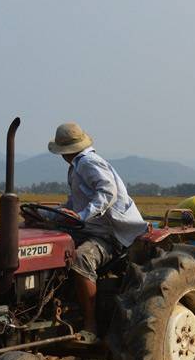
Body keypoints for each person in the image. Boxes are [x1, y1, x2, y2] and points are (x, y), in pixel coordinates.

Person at [47, 122, 147, 342]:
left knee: (81, 259)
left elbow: (107, 191)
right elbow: (75, 201)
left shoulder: (88, 162)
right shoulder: (76, 166)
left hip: (110, 233)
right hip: (89, 228)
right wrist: (53, 215)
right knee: (52, 243)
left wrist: (83, 216)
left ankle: (91, 326)